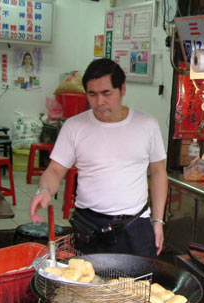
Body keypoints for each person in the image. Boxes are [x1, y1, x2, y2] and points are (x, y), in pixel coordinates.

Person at [29, 58, 168, 257]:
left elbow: (158, 172)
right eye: (92, 94)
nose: (99, 102)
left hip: (135, 226)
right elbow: (55, 170)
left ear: (123, 89)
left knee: (140, 287)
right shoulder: (74, 126)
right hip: (89, 227)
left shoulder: (147, 124)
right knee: (88, 286)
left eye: (106, 93)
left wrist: (158, 221)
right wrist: (44, 190)